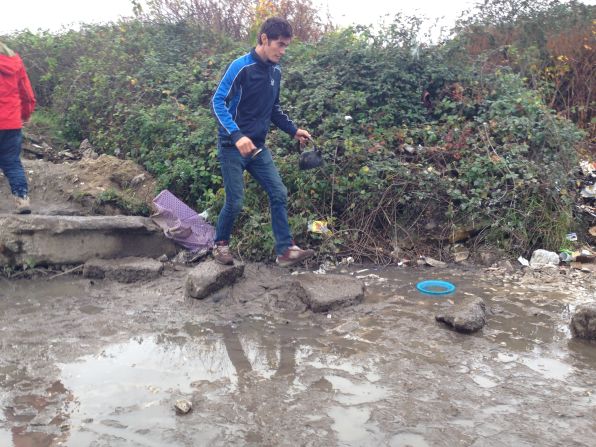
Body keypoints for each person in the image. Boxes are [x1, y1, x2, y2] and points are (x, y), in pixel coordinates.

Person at [211, 17, 315, 267]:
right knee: (235, 201)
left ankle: (285, 251)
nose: (283, 51)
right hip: (231, 147)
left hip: (257, 148)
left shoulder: (275, 71)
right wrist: (237, 135)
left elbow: (274, 109)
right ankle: (220, 245)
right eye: (280, 44)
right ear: (264, 39)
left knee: (279, 192)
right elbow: (217, 102)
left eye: (286, 46)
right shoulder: (241, 67)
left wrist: (293, 130)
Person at [0, 40, 35, 214]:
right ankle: (22, 199)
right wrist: (26, 114)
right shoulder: (15, 61)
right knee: (12, 162)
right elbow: (26, 93)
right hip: (11, 122)